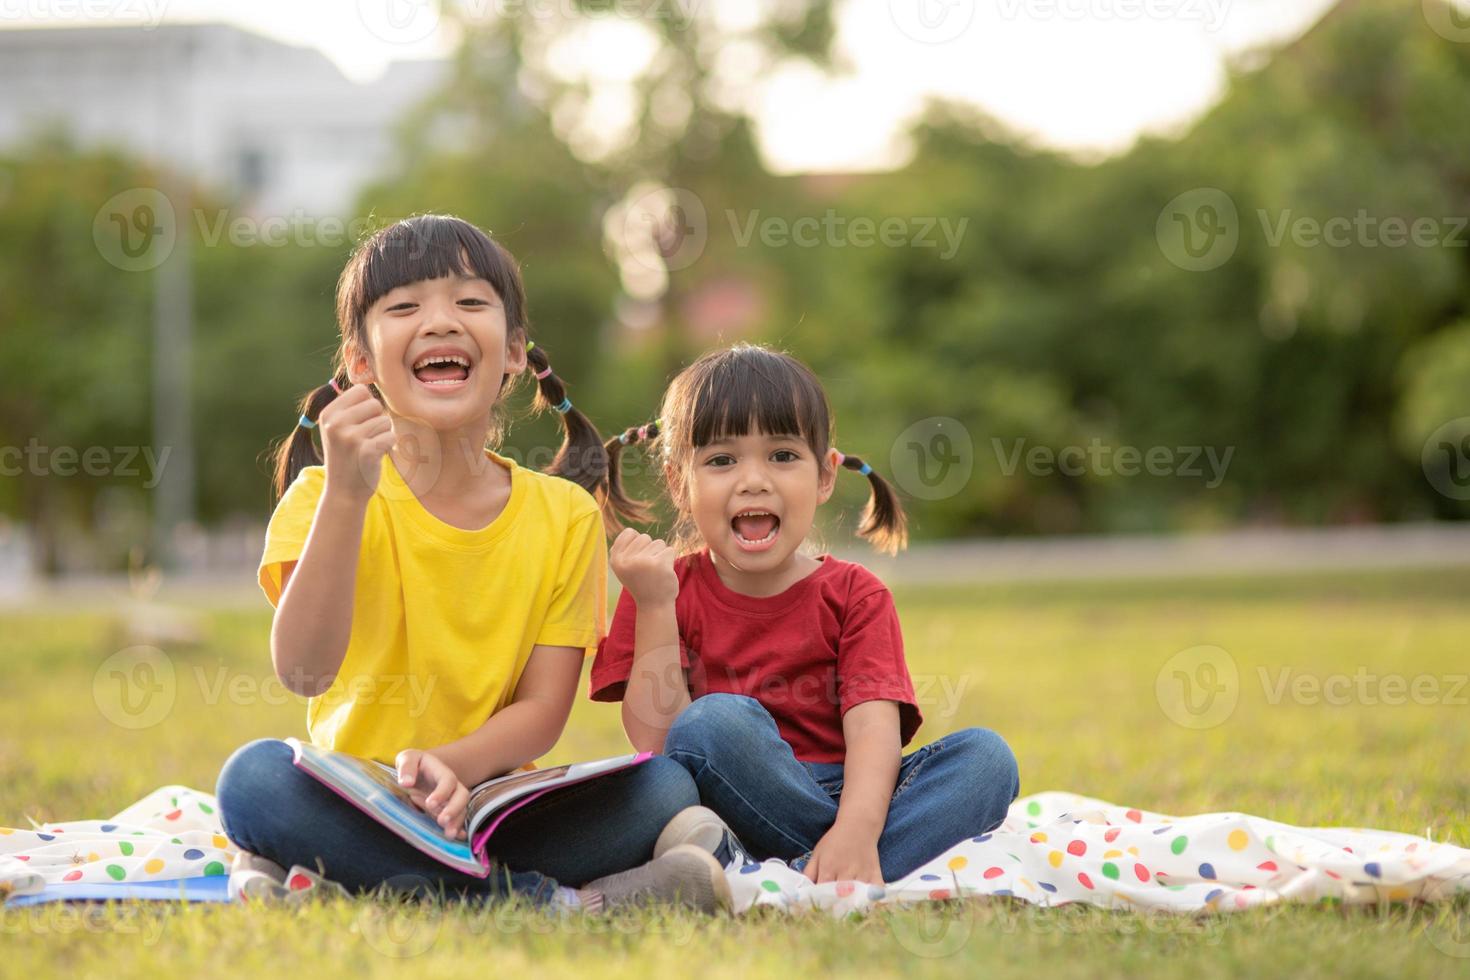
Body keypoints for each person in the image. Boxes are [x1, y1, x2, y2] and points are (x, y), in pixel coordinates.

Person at [215, 214, 728, 913]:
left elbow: (545, 710)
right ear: (361, 363)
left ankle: (336, 879)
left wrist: (453, 768)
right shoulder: (321, 496)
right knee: (255, 781)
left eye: (469, 301)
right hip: (361, 791)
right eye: (403, 307)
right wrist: (346, 496)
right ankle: (558, 905)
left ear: (514, 352)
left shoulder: (564, 515)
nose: (439, 322)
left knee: (664, 788)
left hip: (494, 802)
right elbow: (304, 670)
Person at [590, 344, 1020, 885]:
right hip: (730, 797)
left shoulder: (855, 594)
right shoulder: (661, 588)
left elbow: (871, 729)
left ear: (824, 477)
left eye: (782, 456)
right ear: (680, 483)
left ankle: (802, 869)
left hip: (858, 794)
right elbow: (657, 743)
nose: (754, 480)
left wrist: (857, 828)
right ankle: (839, 869)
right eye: (722, 460)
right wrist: (655, 604)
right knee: (710, 722)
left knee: (985, 758)